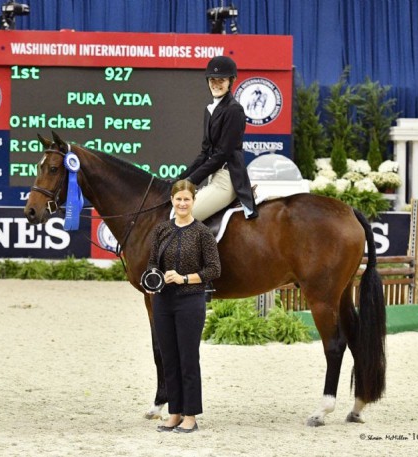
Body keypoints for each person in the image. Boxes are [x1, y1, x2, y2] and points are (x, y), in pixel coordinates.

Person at [145, 179, 221, 433]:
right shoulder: (162, 230)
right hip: (163, 300)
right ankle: (174, 413)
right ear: (172, 201)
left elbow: (214, 269)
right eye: (178, 199)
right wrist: (154, 277)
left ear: (193, 201)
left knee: (188, 358)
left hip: (191, 300)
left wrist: (184, 278)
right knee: (169, 359)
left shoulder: (202, 232)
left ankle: (191, 415)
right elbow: (152, 262)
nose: (182, 203)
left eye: (187, 199)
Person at [179, 55, 258, 221]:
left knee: (185, 214)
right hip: (212, 177)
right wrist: (179, 179)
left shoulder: (234, 110)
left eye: (221, 80)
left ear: (231, 81)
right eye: (212, 79)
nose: (216, 84)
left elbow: (222, 154)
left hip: (227, 179)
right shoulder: (210, 110)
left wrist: (192, 180)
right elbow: (204, 153)